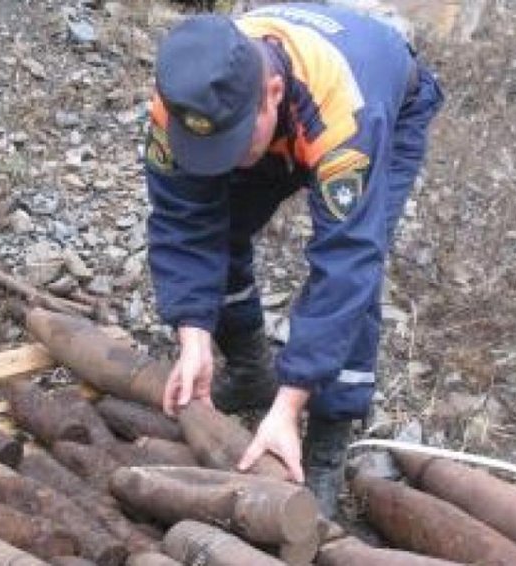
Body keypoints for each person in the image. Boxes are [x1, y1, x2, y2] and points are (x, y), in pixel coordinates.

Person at [143, 2, 443, 517]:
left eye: (236, 144)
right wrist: (192, 331)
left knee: (356, 275)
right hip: (285, 119)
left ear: (272, 96)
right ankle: (250, 365)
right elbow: (184, 221)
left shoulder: (346, 114)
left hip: (378, 99)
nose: (228, 162)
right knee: (224, 227)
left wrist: (290, 404)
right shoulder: (183, 100)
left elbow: (345, 267)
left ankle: (328, 437)